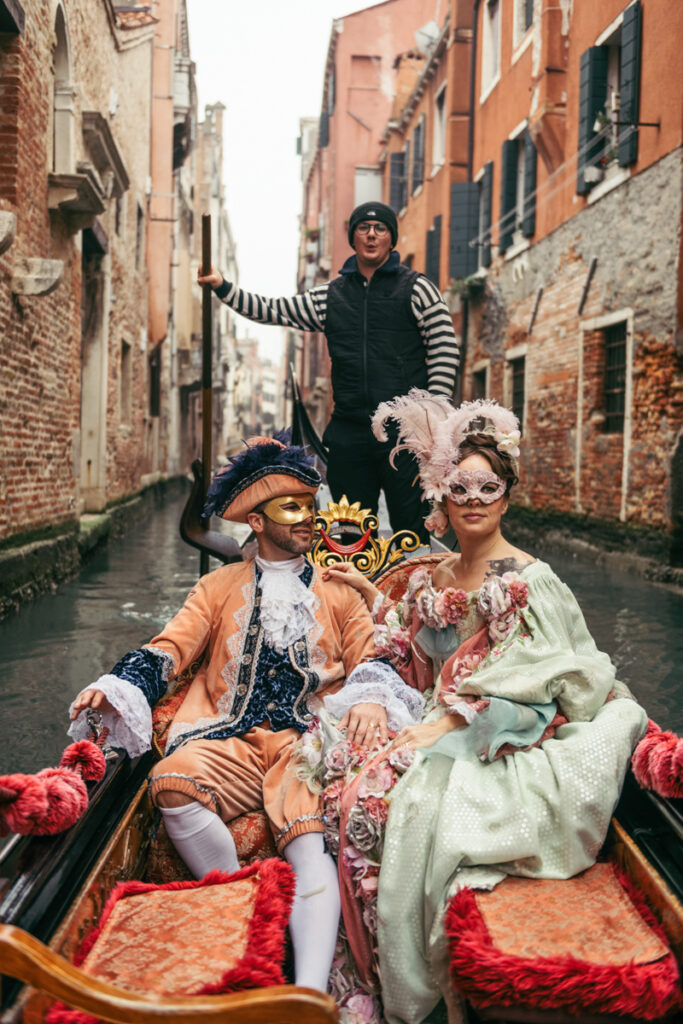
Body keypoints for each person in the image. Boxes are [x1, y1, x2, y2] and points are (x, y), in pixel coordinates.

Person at [299, 393, 648, 1023]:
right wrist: (372, 608)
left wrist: (447, 721)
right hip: (436, 719)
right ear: (442, 495)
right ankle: (365, 976)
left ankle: (403, 989)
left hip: (503, 730)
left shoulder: (529, 578)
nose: (476, 499)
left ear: (507, 497)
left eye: (489, 487)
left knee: (379, 801)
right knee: (341, 775)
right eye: (461, 486)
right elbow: (405, 646)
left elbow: (553, 675)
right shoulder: (433, 578)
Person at [67, 433, 424, 994]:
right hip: (230, 736)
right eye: (292, 509)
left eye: (311, 507)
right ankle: (248, 908)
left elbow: (374, 655)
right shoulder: (217, 586)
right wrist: (121, 683)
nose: (308, 519)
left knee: (309, 844)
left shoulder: (337, 592)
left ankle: (306, 995)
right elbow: (172, 647)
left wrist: (374, 696)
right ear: (256, 522)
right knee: (170, 783)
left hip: (306, 744)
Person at [197, 201, 460, 542]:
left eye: (380, 228)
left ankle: (409, 592)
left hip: (405, 436)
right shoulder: (329, 297)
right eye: (363, 228)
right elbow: (273, 310)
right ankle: (353, 593)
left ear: (391, 238)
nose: (371, 235)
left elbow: (444, 347)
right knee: (350, 534)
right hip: (349, 432)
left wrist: (432, 414)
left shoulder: (417, 289)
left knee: (410, 531)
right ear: (353, 237)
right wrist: (222, 286)